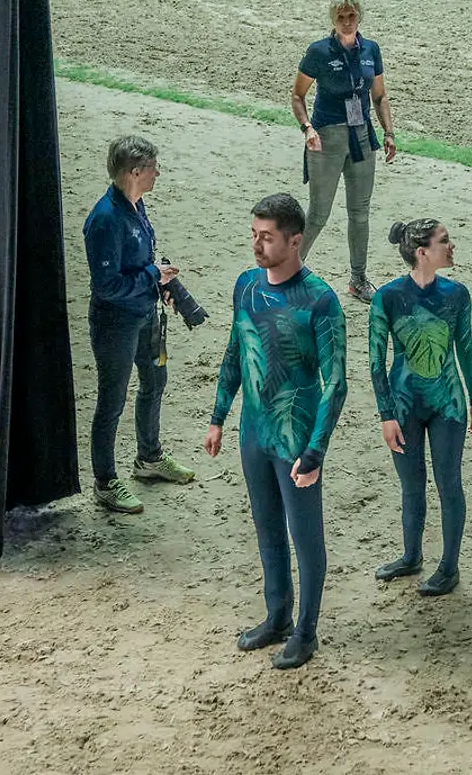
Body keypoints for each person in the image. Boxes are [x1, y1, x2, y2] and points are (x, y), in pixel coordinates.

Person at [204, 193, 348, 670]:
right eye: (254, 235)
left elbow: (336, 384)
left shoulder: (321, 301)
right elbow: (235, 351)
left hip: (295, 437)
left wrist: (315, 450)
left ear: (295, 240)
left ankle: (306, 631)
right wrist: (218, 416)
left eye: (266, 237)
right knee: (267, 529)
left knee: (305, 538)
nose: (257, 245)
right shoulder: (246, 286)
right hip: (254, 432)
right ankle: (278, 617)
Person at [369, 218, 472, 597]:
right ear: (422, 252)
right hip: (403, 406)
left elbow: (466, 348)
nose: (452, 247)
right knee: (411, 485)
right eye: (444, 241)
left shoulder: (457, 294)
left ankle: (449, 567)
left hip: (448, 404)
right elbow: (375, 362)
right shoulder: (387, 297)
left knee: (449, 483)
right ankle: (411, 556)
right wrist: (386, 415)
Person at [82, 136, 196, 514]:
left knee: (155, 381)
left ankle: (149, 458)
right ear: (134, 172)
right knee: (111, 401)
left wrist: (158, 286)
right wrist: (152, 276)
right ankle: (105, 482)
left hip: (144, 315)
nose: (157, 174)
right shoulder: (105, 220)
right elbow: (107, 286)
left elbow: (138, 263)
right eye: (152, 168)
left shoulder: (135, 205)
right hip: (115, 323)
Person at [292, 0, 397, 304]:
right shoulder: (319, 52)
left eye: (352, 16)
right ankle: (288, 273)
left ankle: (358, 279)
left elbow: (379, 96)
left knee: (360, 213)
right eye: (341, 17)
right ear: (333, 20)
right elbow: (297, 96)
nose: (348, 22)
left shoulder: (371, 50)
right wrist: (307, 128)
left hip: (361, 136)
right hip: (326, 137)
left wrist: (389, 132)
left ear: (359, 17)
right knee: (318, 213)